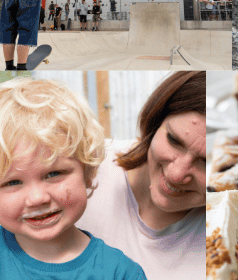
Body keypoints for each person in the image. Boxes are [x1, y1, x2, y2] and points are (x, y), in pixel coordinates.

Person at [0, 78, 146, 280]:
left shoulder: (121, 273)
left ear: (88, 172)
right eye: (13, 182)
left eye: (53, 174)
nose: (37, 198)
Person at [78, 72, 205, 280]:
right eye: (174, 140)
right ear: (155, 123)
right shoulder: (84, 167)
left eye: (206, 162)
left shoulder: (231, 227)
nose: (176, 174)